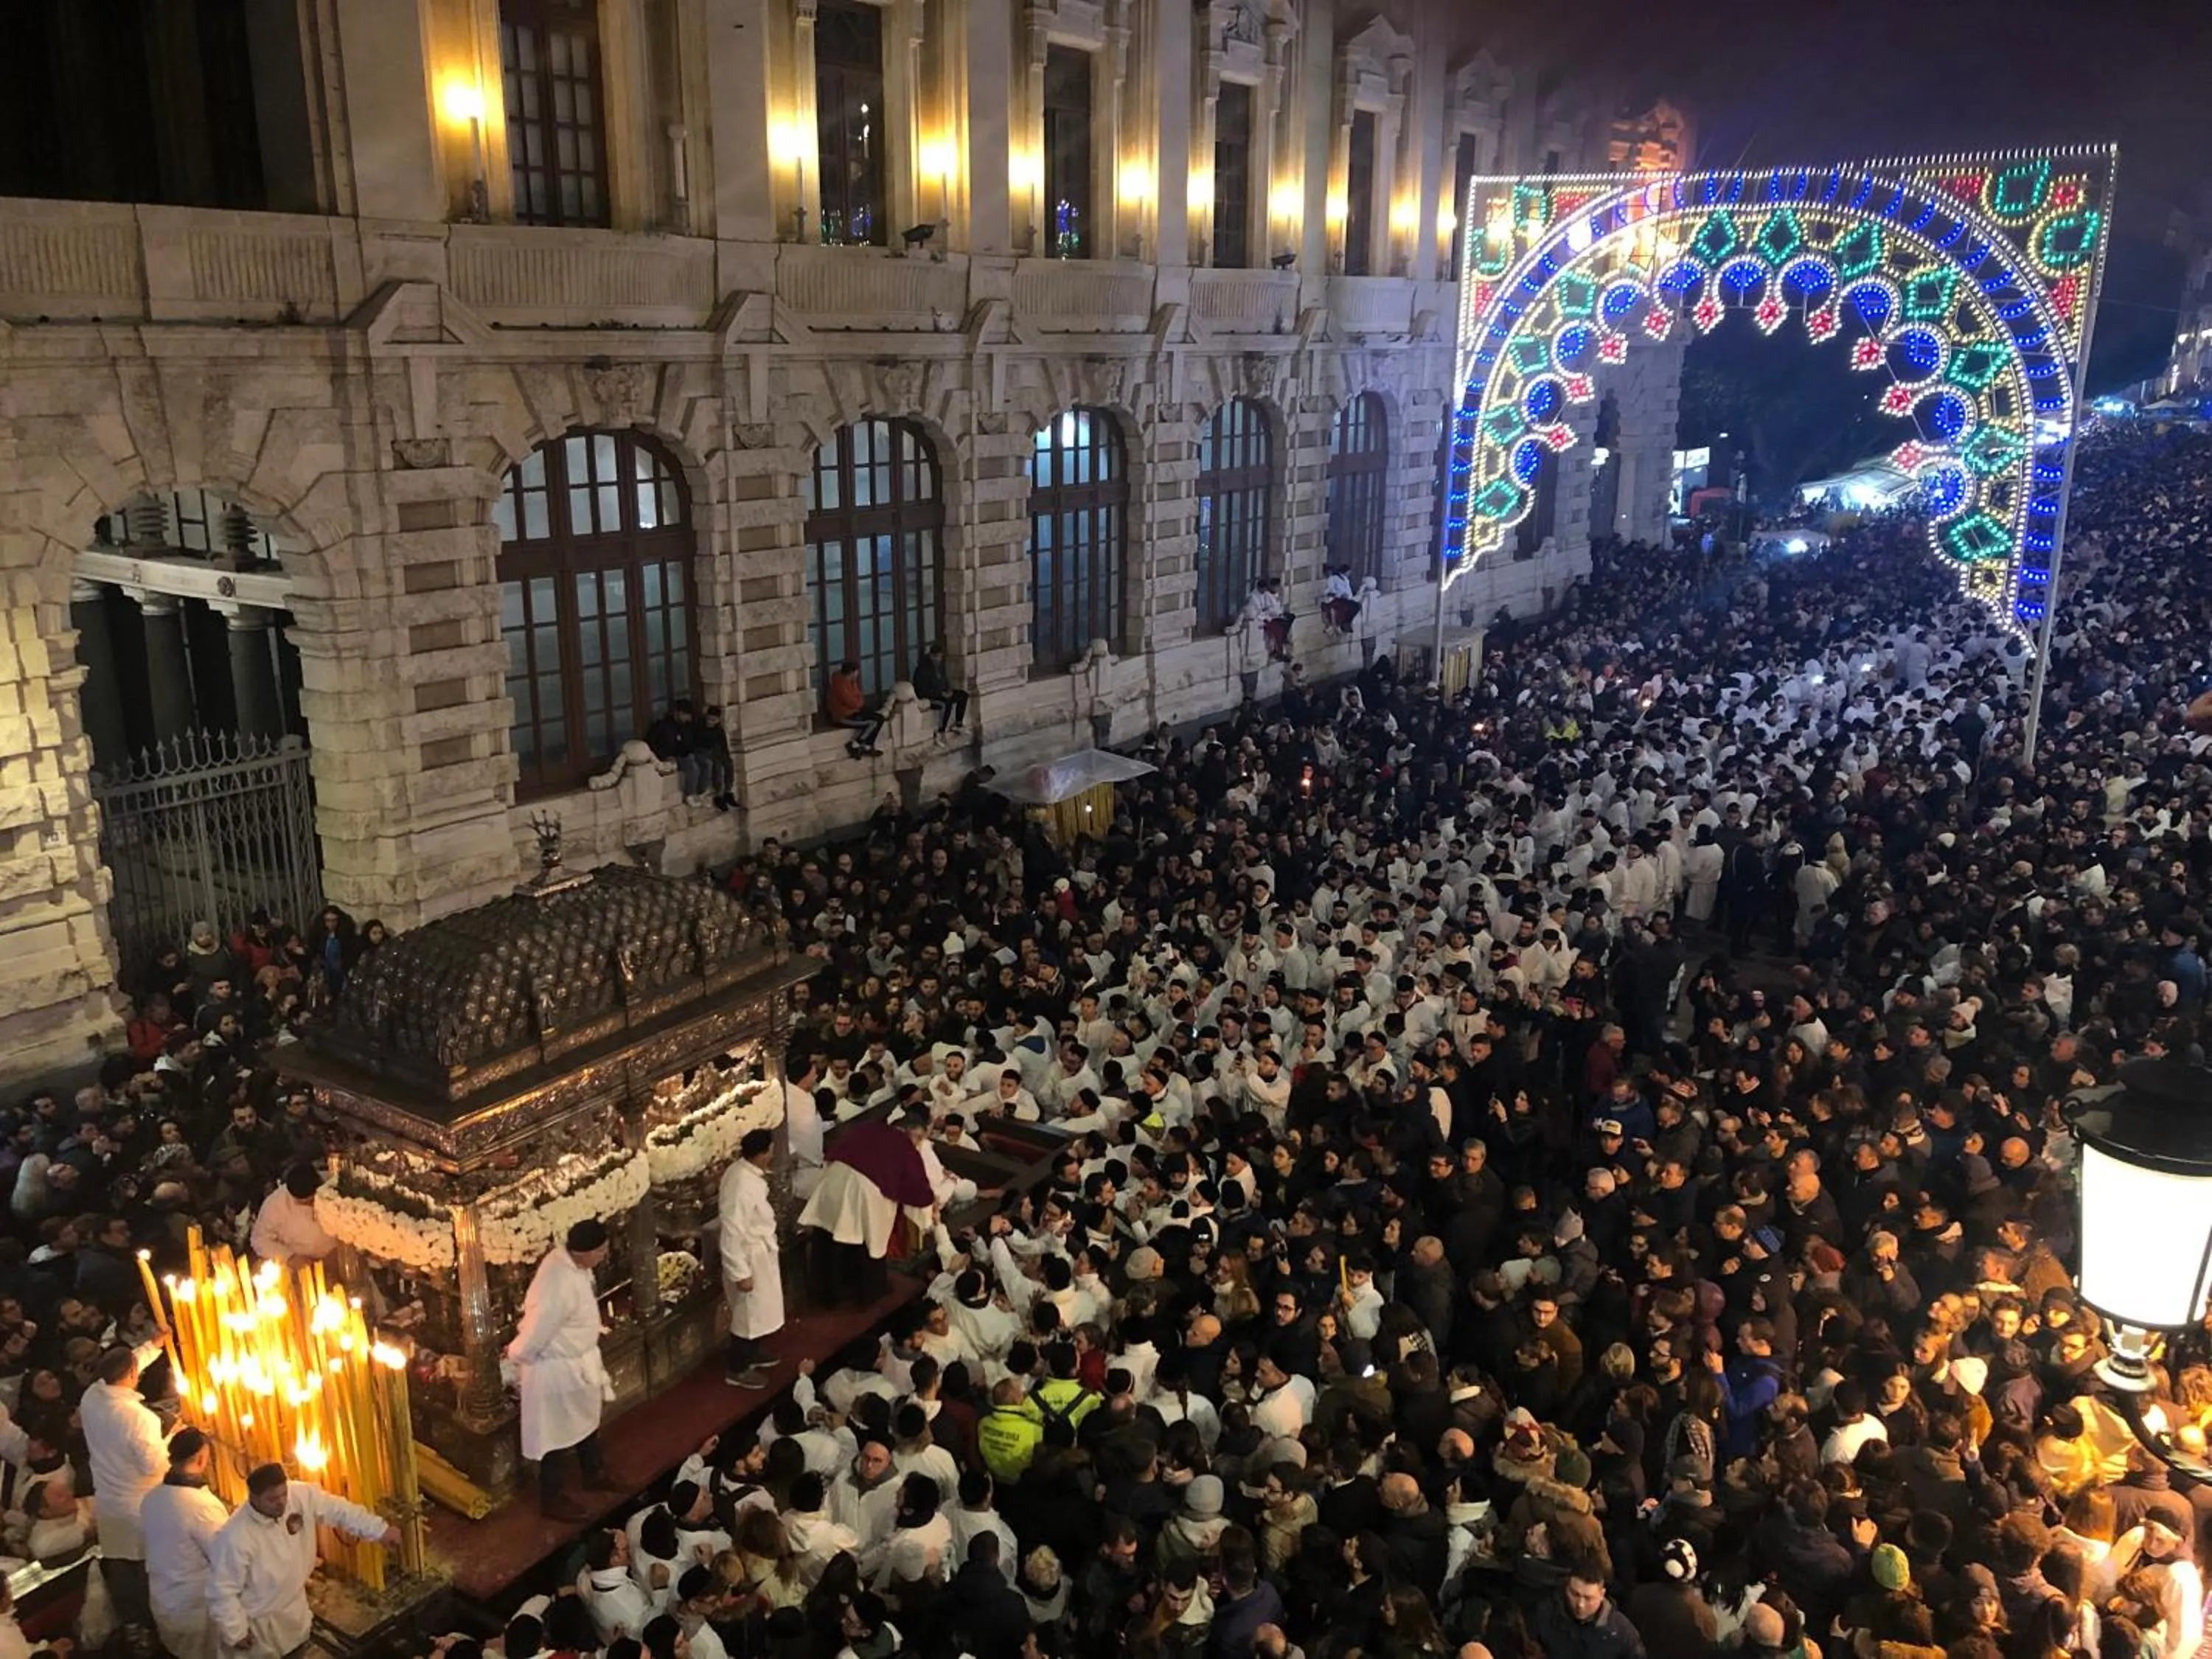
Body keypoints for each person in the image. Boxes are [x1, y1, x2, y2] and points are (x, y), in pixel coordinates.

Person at [206, 1463, 394, 1658]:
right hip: (260, 1626)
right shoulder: (234, 1537)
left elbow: (338, 1510)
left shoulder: (299, 1496)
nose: (281, 1503)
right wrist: (236, 1631)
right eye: (272, 1499)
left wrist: (379, 1530)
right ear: (253, 1498)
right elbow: (222, 1591)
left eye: (283, 1494)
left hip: (295, 1612)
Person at [508, 1219, 621, 1520]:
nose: (604, 1256)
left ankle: (593, 1472)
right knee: (554, 1436)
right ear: (583, 1252)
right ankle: (552, 1498)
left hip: (578, 1364)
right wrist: (518, 1355)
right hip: (555, 1371)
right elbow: (538, 1330)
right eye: (601, 1251)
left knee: (586, 1423)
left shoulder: (575, 1267)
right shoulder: (558, 1282)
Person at [81, 1333, 172, 1631]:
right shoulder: (137, 1417)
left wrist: (151, 1347)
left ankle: (134, 1625)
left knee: (122, 1565)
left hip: (108, 1502)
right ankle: (153, 1628)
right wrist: (173, 1438)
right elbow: (153, 1464)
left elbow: (123, 1366)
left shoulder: (92, 1397)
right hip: (139, 1506)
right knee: (149, 1572)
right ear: (133, 1375)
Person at [141, 1427, 230, 1659]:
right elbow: (226, 1556)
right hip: (195, 1610)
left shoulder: (151, 1498)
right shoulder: (201, 1506)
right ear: (202, 1458)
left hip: (164, 1601)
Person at [719, 1127, 782, 1389]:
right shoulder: (741, 1184)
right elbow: (732, 1229)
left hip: (760, 1253)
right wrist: (740, 1272)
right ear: (762, 1153)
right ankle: (738, 1368)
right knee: (748, 1316)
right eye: (771, 1150)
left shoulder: (747, 1173)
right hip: (748, 1258)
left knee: (761, 1312)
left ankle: (754, 1353)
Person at [248, 1164, 335, 1267]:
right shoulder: (276, 1204)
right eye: (304, 1203)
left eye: (312, 1201)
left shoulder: (334, 1183)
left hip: (341, 1254)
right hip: (303, 1266)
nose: (311, 1205)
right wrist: (289, 1257)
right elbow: (259, 1240)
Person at [827, 661, 886, 758]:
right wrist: (858, 702)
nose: (858, 674)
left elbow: (859, 698)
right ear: (852, 673)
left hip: (854, 712)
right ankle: (856, 744)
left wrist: (858, 702)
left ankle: (866, 745)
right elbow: (855, 702)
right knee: (873, 722)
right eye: (857, 672)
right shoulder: (840, 685)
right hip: (843, 717)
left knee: (880, 718)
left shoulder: (850, 681)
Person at [911, 644, 970, 738]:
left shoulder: (941, 666)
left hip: (942, 692)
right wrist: (941, 693)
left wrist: (949, 690)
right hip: (930, 696)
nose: (938, 659)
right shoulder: (922, 669)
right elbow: (922, 690)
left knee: (963, 695)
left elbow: (945, 680)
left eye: (940, 657)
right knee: (947, 702)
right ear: (931, 656)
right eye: (936, 657)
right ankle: (942, 729)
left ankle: (958, 723)